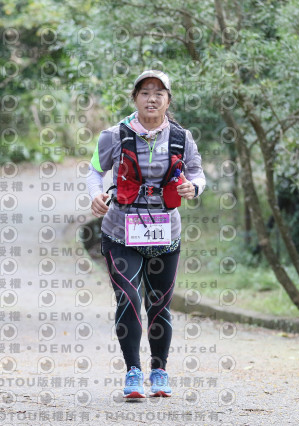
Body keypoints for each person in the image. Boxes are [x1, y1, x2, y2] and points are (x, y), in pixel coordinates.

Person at [87, 70, 206, 399]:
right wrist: (95, 194)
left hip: (166, 234)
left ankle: (159, 371)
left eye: (158, 93)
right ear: (135, 98)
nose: (151, 99)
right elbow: (95, 171)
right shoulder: (113, 136)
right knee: (129, 298)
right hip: (120, 231)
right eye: (144, 93)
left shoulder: (182, 138)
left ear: (168, 100)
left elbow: (198, 174)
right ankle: (133, 372)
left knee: (159, 304)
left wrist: (193, 187)